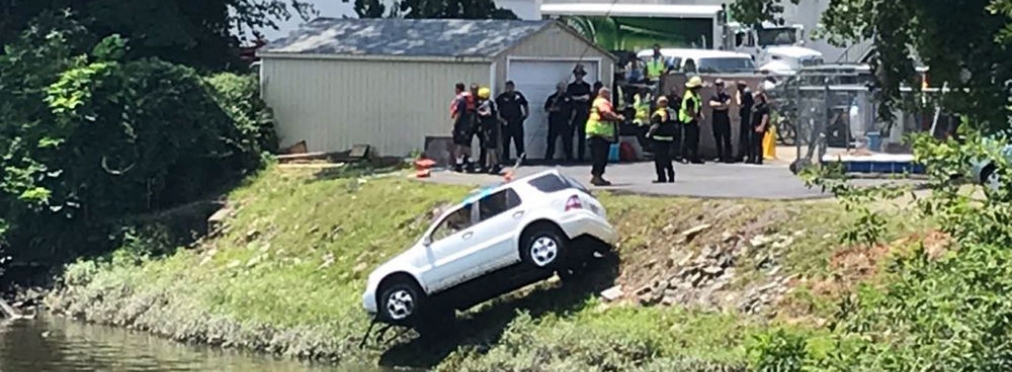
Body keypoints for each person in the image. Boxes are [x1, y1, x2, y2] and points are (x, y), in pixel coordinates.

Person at [586, 87, 624, 186]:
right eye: (608, 94)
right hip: (600, 134)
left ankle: (596, 176)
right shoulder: (603, 102)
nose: (609, 97)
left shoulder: (596, 102)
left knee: (597, 157)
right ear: (604, 94)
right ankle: (597, 177)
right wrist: (617, 117)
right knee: (601, 157)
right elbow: (606, 113)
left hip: (594, 132)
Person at [496, 81, 529, 162]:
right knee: (506, 141)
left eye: (511, 87)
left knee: (519, 140)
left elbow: (525, 104)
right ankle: (506, 158)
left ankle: (521, 158)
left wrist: (526, 114)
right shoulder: (501, 97)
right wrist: (501, 119)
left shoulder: (518, 95)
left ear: (514, 87)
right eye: (507, 87)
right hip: (506, 122)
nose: (509, 89)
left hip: (517, 121)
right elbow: (497, 109)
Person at [648, 96, 677, 183]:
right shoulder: (672, 112)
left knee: (658, 158)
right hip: (670, 138)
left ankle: (661, 177)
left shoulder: (660, 113)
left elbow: (655, 126)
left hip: (659, 138)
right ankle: (671, 176)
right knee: (667, 158)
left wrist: (649, 134)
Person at [568, 65, 593, 161]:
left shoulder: (586, 86)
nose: (578, 76)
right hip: (573, 112)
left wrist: (578, 98)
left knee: (582, 134)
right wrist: (580, 98)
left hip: (583, 112)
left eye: (580, 74)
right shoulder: (571, 87)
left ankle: (581, 156)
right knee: (570, 134)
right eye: (577, 74)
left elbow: (588, 98)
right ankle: (569, 155)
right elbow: (570, 98)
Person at [450, 82, 475, 172]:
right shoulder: (468, 98)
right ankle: (470, 163)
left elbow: (459, 113)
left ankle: (459, 164)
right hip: (469, 125)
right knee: (466, 144)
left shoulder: (461, 99)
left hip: (461, 125)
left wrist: (455, 125)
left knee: (459, 145)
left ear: (458, 89)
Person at [544, 81, 573, 161]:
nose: (561, 90)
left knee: (567, 140)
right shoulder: (552, 98)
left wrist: (571, 120)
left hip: (565, 122)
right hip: (554, 122)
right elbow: (546, 109)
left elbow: (573, 109)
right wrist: (553, 109)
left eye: (563, 88)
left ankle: (569, 157)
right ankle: (549, 157)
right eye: (560, 88)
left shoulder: (568, 98)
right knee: (551, 140)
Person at [476, 87, 502, 174]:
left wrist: (479, 112)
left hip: (489, 128)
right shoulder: (491, 102)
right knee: (490, 147)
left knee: (491, 147)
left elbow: (488, 113)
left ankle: (495, 165)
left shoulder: (486, 103)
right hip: (492, 127)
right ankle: (492, 165)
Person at [679, 76, 704, 164]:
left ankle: (694, 157)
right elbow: (690, 111)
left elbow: (697, 107)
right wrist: (697, 119)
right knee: (688, 139)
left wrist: (700, 115)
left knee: (695, 140)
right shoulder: (689, 96)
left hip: (693, 119)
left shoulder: (695, 95)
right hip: (688, 120)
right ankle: (684, 156)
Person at [709, 79, 733, 163]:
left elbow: (727, 104)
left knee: (727, 138)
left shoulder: (726, 95)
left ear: (723, 86)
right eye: (717, 85)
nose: (719, 87)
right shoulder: (714, 95)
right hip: (716, 119)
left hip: (725, 119)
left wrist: (719, 105)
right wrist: (721, 105)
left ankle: (728, 156)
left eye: (720, 85)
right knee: (717, 138)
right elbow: (711, 104)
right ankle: (720, 156)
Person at [749, 90, 771, 165]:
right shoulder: (754, 106)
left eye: (756, 97)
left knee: (758, 143)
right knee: (753, 142)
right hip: (753, 126)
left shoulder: (764, 106)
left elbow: (765, 117)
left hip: (759, 126)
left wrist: (761, 126)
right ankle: (752, 157)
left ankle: (759, 158)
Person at [735, 80, 755, 163]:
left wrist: (737, 95)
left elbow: (739, 103)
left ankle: (748, 156)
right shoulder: (747, 92)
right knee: (744, 138)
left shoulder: (746, 93)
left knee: (746, 138)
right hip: (746, 118)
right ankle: (743, 155)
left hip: (747, 119)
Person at [666, 85, 683, 162]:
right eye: (672, 91)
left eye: (675, 91)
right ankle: (668, 154)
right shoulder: (667, 100)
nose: (674, 92)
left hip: (677, 122)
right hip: (669, 122)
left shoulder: (680, 100)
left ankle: (676, 154)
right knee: (669, 139)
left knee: (677, 139)